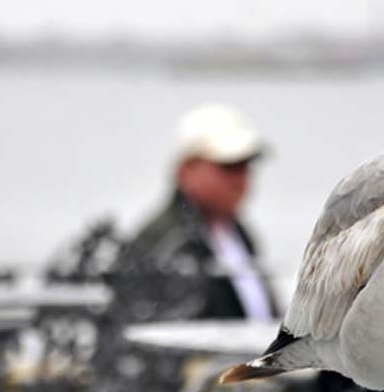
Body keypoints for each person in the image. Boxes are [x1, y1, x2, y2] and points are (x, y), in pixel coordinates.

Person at [112, 104, 278, 323]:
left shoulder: (238, 232)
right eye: (228, 167)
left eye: (245, 166)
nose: (241, 179)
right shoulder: (165, 241)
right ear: (185, 170)